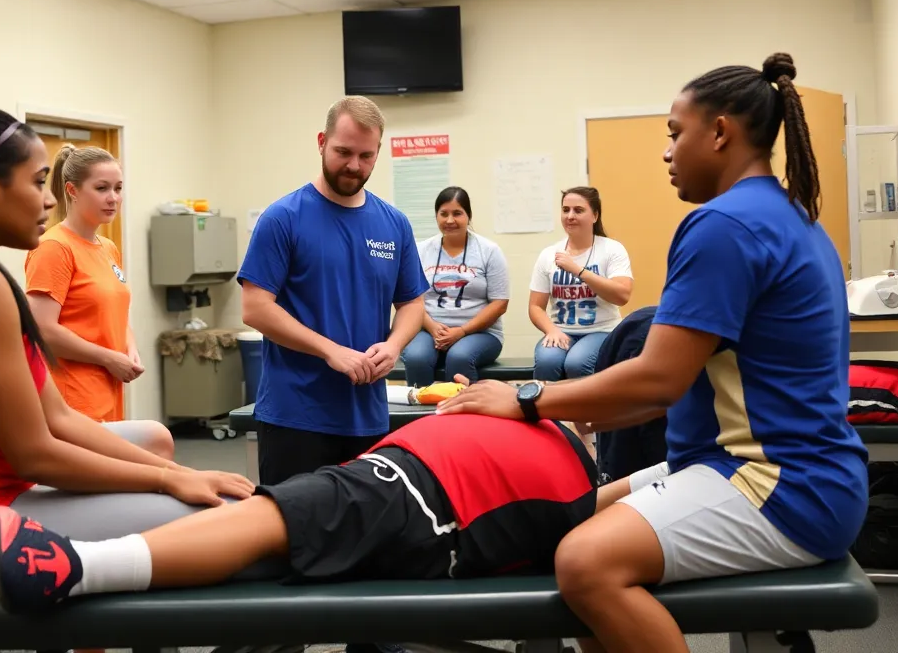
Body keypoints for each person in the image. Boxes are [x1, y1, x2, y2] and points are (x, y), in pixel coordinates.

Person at [437, 53, 870, 653]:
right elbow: (660, 387)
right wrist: (568, 408)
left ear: (719, 133)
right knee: (575, 515)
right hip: (748, 464)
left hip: (779, 483)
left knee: (584, 561)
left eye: (674, 133)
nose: (666, 152)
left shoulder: (724, 225)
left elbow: (655, 383)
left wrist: (528, 399)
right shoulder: (791, 216)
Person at [0, 98, 254, 603]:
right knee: (224, 522)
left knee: (161, 449)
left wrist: (176, 473)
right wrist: (169, 485)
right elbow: (35, 453)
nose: (49, 200)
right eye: (39, 182)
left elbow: (58, 418)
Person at [0, 408, 598, 615]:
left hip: (426, 503)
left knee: (280, 515)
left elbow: (609, 508)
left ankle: (74, 568)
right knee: (262, 507)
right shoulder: (545, 424)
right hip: (402, 478)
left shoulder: (585, 484)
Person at [237, 96, 428, 485]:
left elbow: (411, 301)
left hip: (367, 417)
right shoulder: (283, 218)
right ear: (322, 141)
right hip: (296, 415)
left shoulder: (394, 223)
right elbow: (255, 308)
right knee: (298, 537)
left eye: (366, 156)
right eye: (343, 151)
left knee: (366, 535)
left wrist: (393, 347)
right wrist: (331, 352)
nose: (354, 165)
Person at [25, 144, 158, 443]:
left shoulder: (107, 248)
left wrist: (129, 347)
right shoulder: (54, 248)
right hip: (72, 395)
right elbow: (43, 330)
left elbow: (117, 312)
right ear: (72, 190)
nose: (113, 198)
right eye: (102, 188)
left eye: (118, 188)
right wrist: (109, 358)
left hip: (109, 390)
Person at [402, 186, 509, 386]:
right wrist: (432, 327)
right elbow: (410, 298)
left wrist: (461, 331)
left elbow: (500, 303)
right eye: (444, 214)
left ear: (468, 215)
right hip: (428, 330)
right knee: (417, 358)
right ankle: (421, 416)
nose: (450, 220)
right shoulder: (421, 250)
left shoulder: (489, 251)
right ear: (436, 216)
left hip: (480, 334)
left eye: (457, 213)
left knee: (459, 357)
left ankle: (460, 415)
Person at [528, 187, 632, 382]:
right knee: (547, 362)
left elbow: (622, 295)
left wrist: (578, 270)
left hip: (601, 330)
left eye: (578, 210)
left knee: (577, 363)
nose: (570, 216)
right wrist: (551, 330)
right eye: (565, 210)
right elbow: (535, 306)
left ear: (595, 215)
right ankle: (547, 412)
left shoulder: (612, 249)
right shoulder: (548, 254)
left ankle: (582, 412)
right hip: (561, 330)